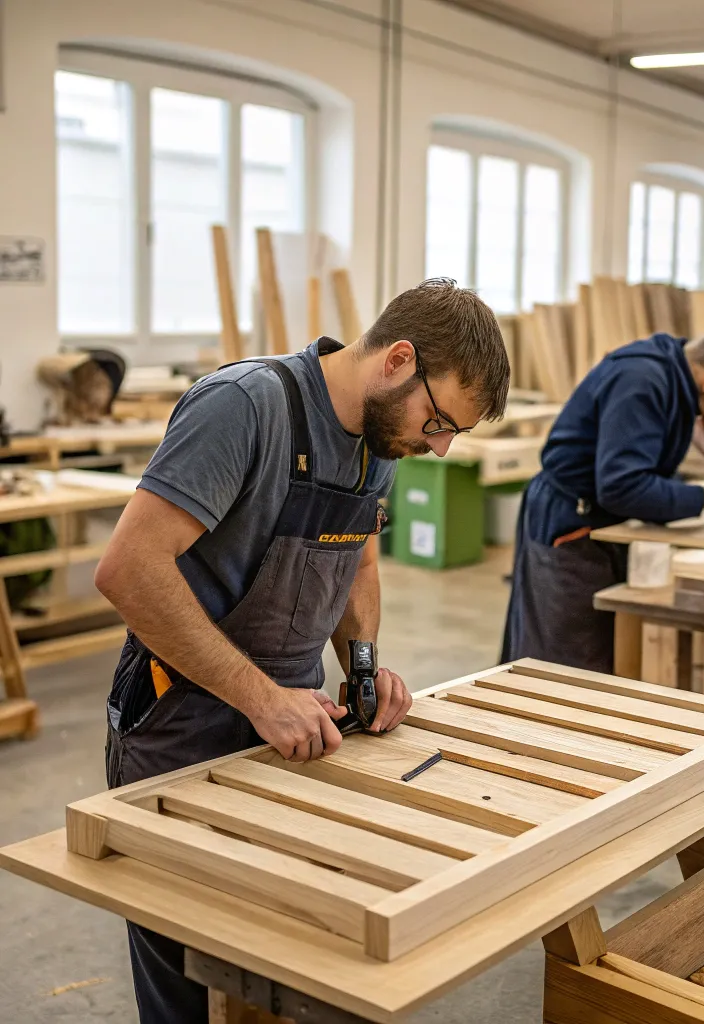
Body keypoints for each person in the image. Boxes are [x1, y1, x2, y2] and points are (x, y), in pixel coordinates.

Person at [95, 277, 510, 1024]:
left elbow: (358, 556)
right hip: (181, 727)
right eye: (440, 419)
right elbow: (129, 570)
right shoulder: (245, 407)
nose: (440, 446)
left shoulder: (379, 437)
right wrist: (262, 697)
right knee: (194, 985)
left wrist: (361, 670)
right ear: (398, 361)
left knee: (287, 971)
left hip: (293, 731)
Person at [501, 328, 704, 673]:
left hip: (598, 523)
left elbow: (675, 413)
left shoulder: (675, 366)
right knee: (562, 663)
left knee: (596, 655)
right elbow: (621, 486)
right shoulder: (641, 380)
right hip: (571, 523)